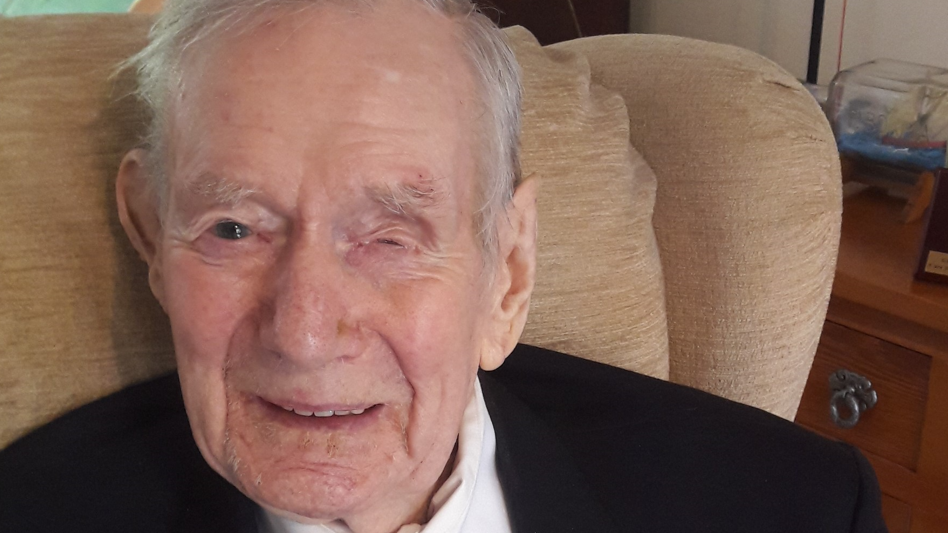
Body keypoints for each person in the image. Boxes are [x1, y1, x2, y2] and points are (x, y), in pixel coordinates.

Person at [0, 1, 888, 532]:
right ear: (153, 236)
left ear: (506, 273)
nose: (305, 334)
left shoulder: (789, 509)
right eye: (234, 228)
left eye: (390, 235)